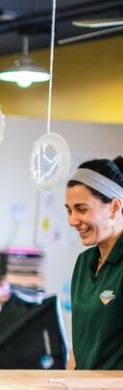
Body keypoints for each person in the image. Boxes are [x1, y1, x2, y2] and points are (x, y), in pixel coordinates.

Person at [66, 157, 123, 370]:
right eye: (69, 210)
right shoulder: (84, 263)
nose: (72, 220)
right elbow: (79, 344)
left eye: (81, 209)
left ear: (114, 207)